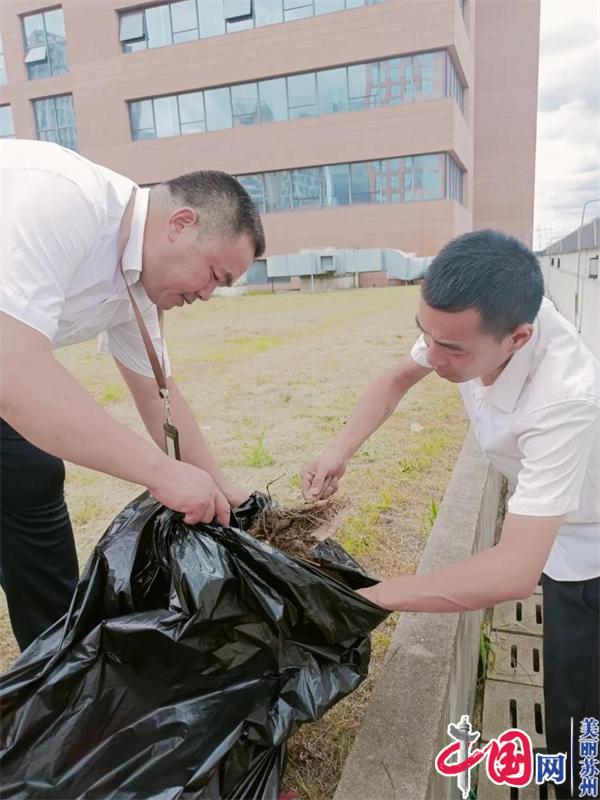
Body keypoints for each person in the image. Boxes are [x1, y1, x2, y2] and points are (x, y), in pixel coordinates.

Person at [301, 230, 599, 798]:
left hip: (590, 545)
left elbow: (514, 571)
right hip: (550, 527)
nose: (433, 358)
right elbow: (394, 380)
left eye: (453, 351)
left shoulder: (564, 397)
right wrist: (337, 452)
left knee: (581, 710)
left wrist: (373, 596)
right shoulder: (462, 328)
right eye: (425, 336)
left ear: (518, 338)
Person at [0, 138, 265, 652]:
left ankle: (56, 665)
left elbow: (157, 394)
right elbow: (14, 370)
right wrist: (163, 474)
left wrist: (217, 484)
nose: (209, 295)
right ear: (181, 223)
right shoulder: (62, 199)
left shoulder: (136, 284)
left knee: (30, 476)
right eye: (214, 275)